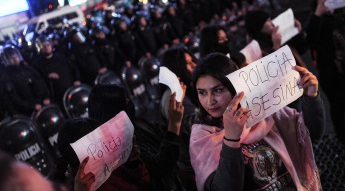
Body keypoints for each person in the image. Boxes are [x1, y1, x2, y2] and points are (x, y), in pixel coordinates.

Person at [190, 53, 325, 191]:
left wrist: (311, 96)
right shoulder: (203, 136)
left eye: (217, 90)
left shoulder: (264, 111)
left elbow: (313, 134)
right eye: (202, 92)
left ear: (233, 86)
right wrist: (231, 139)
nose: (210, 101)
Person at [57, 83, 186, 191]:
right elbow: (161, 167)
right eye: (126, 102)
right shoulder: (80, 182)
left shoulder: (120, 150)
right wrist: (174, 125)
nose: (130, 104)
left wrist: (133, 163)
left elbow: (143, 181)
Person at [305, 0, 345, 144]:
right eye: (322, 3)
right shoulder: (317, 21)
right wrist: (318, 13)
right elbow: (310, 40)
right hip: (332, 74)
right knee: (338, 107)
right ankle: (341, 138)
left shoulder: (340, 17)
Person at [160, 47, 199, 191]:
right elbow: (193, 125)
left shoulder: (189, 87)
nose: (195, 65)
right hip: (193, 166)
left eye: (193, 61)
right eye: (188, 63)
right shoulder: (173, 96)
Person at [1, 46, 50, 116]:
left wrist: (46, 97)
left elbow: (41, 82)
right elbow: (13, 97)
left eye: (15, 56)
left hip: (42, 104)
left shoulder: (28, 69)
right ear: (6, 61)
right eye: (11, 58)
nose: (15, 59)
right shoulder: (7, 77)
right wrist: (31, 106)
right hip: (27, 111)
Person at [33, 36, 80, 107]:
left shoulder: (61, 58)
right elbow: (38, 82)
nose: (46, 47)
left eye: (48, 45)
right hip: (55, 98)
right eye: (44, 46)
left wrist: (77, 79)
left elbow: (74, 68)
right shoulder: (37, 65)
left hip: (70, 91)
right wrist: (47, 76)